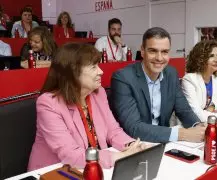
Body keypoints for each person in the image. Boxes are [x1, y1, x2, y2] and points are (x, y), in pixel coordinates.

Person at [28, 43, 146, 171]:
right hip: (55, 171)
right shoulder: (48, 103)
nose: (101, 71)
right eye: (93, 67)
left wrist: (133, 146)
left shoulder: (98, 93)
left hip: (92, 168)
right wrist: (118, 157)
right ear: (73, 72)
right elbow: (70, 154)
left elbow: (113, 131)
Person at [110, 27, 205, 143]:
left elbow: (184, 110)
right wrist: (183, 134)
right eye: (153, 51)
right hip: (134, 145)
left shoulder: (171, 73)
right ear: (142, 51)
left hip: (163, 141)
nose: (159, 58)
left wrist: (198, 126)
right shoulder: (123, 78)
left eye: (165, 52)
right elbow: (133, 127)